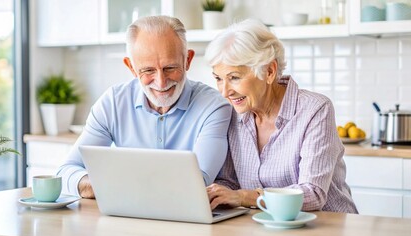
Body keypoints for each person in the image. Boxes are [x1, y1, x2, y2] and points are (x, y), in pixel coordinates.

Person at [57, 16, 232, 198]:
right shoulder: (113, 103)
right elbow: (66, 172)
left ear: (187, 60)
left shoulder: (214, 107)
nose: (161, 82)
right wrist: (98, 184)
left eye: (170, 68)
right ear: (131, 67)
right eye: (148, 70)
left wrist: (115, 184)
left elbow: (197, 183)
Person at [204, 19, 358, 213]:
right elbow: (229, 182)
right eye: (218, 78)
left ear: (269, 71)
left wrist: (244, 197)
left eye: (234, 77)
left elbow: (313, 194)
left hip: (327, 227)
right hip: (264, 227)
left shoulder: (315, 109)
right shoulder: (233, 114)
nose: (225, 92)